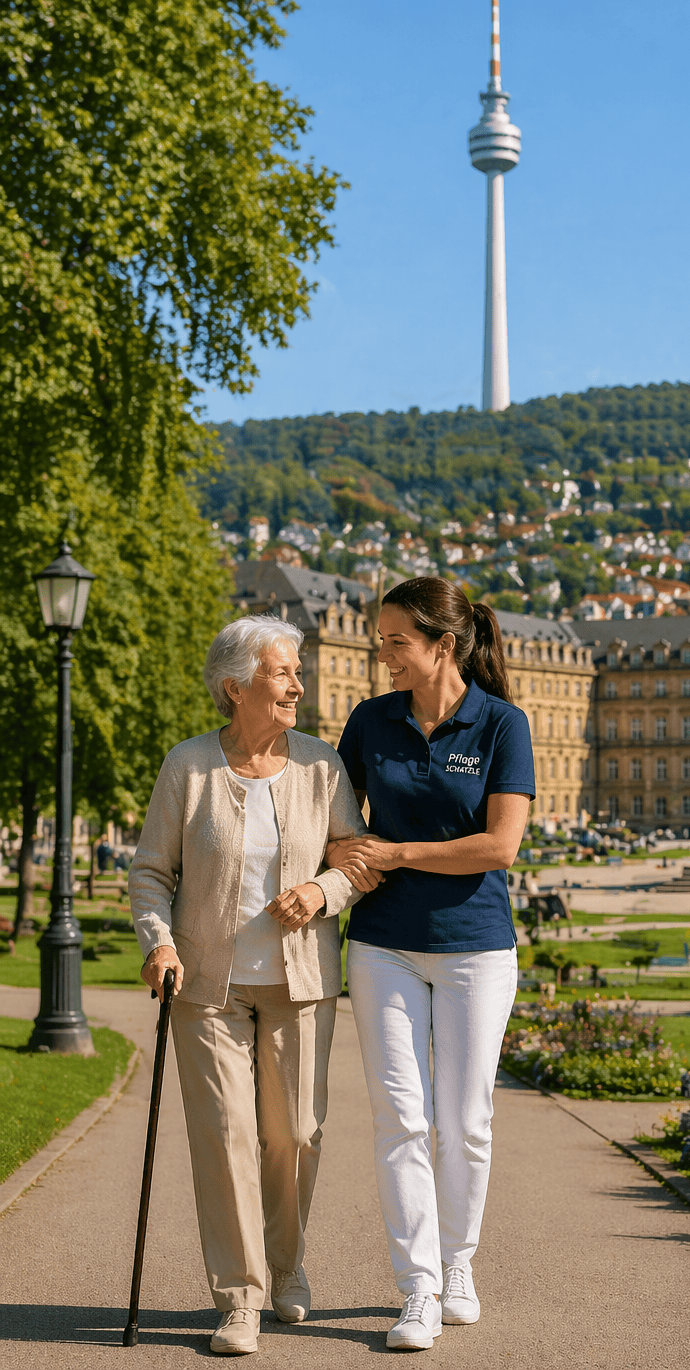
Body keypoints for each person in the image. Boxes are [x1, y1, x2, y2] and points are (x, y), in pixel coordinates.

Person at [129, 615, 376, 1357]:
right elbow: (150, 875)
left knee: (293, 1135)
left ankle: (287, 1265)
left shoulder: (320, 766)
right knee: (227, 1138)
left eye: (297, 671)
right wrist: (160, 941)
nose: (298, 684)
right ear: (235, 687)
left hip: (299, 983)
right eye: (282, 672)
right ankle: (239, 1297)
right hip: (207, 987)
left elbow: (356, 859)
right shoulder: (189, 767)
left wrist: (323, 891)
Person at [328, 578, 534, 1352]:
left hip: (477, 946)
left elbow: (500, 846)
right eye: (379, 641)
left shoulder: (501, 724)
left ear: (443, 646)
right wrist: (340, 850)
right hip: (383, 943)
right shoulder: (369, 721)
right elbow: (335, 820)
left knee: (465, 1121)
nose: (380, 656)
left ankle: (459, 1267)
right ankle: (416, 1288)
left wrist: (399, 852)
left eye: (394, 642)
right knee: (401, 1121)